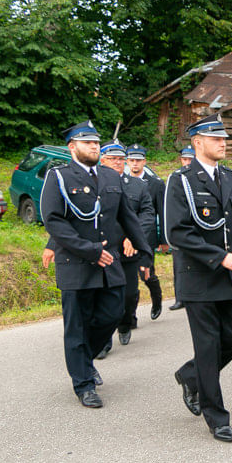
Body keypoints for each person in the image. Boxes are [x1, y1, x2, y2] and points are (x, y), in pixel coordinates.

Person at [166, 113, 232, 442]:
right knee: (208, 347)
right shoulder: (180, 181)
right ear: (197, 143)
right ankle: (217, 417)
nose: (224, 143)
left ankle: (191, 375)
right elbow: (176, 233)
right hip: (199, 277)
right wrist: (221, 257)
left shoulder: (230, 178)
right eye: (216, 139)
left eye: (225, 139)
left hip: (230, 276)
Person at [40, 120, 152, 408]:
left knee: (113, 313)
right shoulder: (59, 177)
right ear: (72, 147)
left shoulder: (110, 176)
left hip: (109, 263)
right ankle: (84, 383)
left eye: (96, 142)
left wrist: (144, 251)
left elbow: (126, 216)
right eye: (87, 142)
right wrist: (89, 250)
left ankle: (82, 360)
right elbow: (54, 221)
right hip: (76, 263)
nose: (93, 146)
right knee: (76, 325)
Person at [100, 142, 155, 352]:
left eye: (120, 159)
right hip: (103, 251)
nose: (118, 162)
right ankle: (104, 340)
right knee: (105, 296)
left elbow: (147, 215)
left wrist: (133, 237)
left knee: (129, 294)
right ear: (102, 160)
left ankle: (125, 324)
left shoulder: (137, 186)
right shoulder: (95, 185)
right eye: (112, 158)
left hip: (127, 251)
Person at [125, 143, 164, 322]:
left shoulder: (155, 183)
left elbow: (162, 212)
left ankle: (156, 298)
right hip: (124, 239)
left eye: (138, 161)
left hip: (146, 237)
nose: (135, 164)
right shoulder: (120, 181)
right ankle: (130, 316)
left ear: (144, 162)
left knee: (146, 274)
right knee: (128, 280)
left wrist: (164, 239)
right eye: (132, 160)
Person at [168, 145, 195, 312]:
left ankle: (192, 295)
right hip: (180, 228)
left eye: (190, 159)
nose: (187, 162)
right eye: (185, 159)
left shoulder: (199, 177)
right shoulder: (176, 178)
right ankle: (180, 297)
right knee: (178, 265)